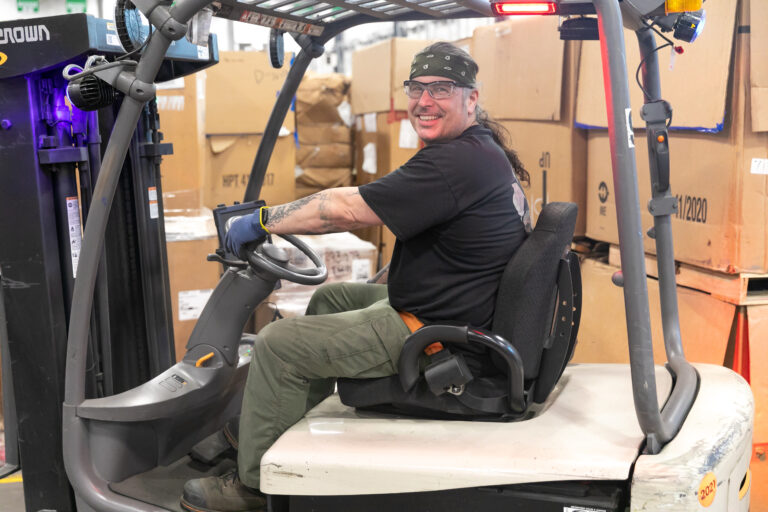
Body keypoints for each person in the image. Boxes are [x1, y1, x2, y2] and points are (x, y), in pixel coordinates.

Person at [180, 41, 531, 512]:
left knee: (278, 344)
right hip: (451, 311)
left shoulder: (455, 163)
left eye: (441, 89)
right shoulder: (475, 151)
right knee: (334, 298)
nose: (425, 100)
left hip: (436, 337)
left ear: (472, 98)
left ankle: (257, 486)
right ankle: (278, 428)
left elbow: (344, 209)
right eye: (417, 87)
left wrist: (259, 221)